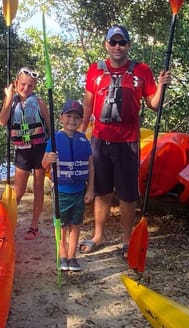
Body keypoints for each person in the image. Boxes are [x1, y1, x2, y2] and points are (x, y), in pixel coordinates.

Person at [78, 25, 170, 256]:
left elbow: (154, 104)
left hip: (128, 141)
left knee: (128, 193)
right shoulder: (94, 71)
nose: (117, 47)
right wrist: (79, 135)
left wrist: (161, 85)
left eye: (122, 42)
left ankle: (126, 240)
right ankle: (98, 235)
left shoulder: (141, 70)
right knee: (102, 191)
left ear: (128, 45)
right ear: (106, 45)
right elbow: (88, 107)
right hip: (100, 139)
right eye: (113, 42)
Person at [0, 67, 51, 239]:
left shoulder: (39, 102)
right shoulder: (12, 101)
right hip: (22, 150)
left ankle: (34, 225)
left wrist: (51, 149)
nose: (25, 88)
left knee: (38, 186)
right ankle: (7, 223)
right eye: (22, 84)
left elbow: (49, 126)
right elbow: (2, 121)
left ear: (34, 87)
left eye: (30, 86)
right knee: (18, 191)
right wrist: (8, 97)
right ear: (16, 84)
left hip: (40, 148)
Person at [43, 99, 94, 272]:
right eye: (69, 116)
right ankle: (62, 255)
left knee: (76, 225)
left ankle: (73, 257)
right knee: (62, 226)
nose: (72, 120)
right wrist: (48, 160)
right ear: (61, 118)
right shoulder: (55, 139)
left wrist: (91, 189)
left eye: (77, 117)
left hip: (79, 191)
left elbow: (91, 166)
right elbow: (43, 164)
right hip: (61, 191)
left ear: (81, 121)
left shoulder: (84, 140)